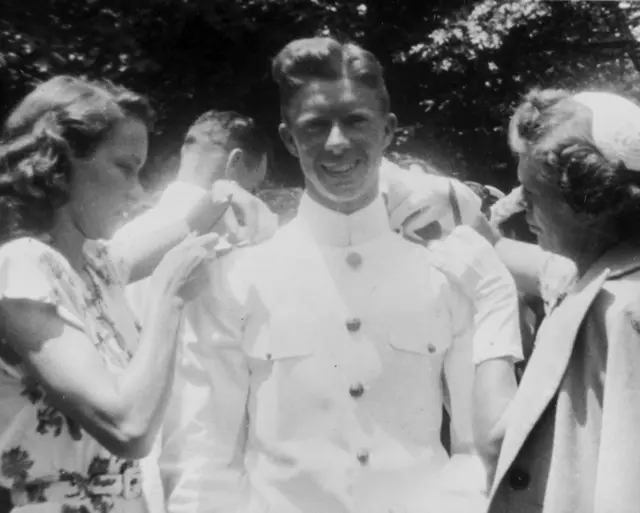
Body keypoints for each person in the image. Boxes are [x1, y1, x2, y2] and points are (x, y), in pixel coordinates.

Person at [161, 36, 522, 513]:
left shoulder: (448, 269)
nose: (336, 143)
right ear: (289, 139)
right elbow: (202, 457)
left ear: (388, 130)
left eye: (355, 121)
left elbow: (474, 450)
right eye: (314, 127)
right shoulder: (238, 275)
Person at [0, 76, 237, 513]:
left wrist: (225, 198)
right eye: (125, 167)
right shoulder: (19, 267)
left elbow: (187, 228)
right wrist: (169, 298)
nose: (138, 192)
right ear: (61, 162)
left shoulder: (94, 265)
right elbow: (128, 428)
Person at [474, 89, 640, 512]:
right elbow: (531, 264)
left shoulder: (626, 313)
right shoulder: (595, 272)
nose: (519, 205)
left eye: (532, 192)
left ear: (588, 202)